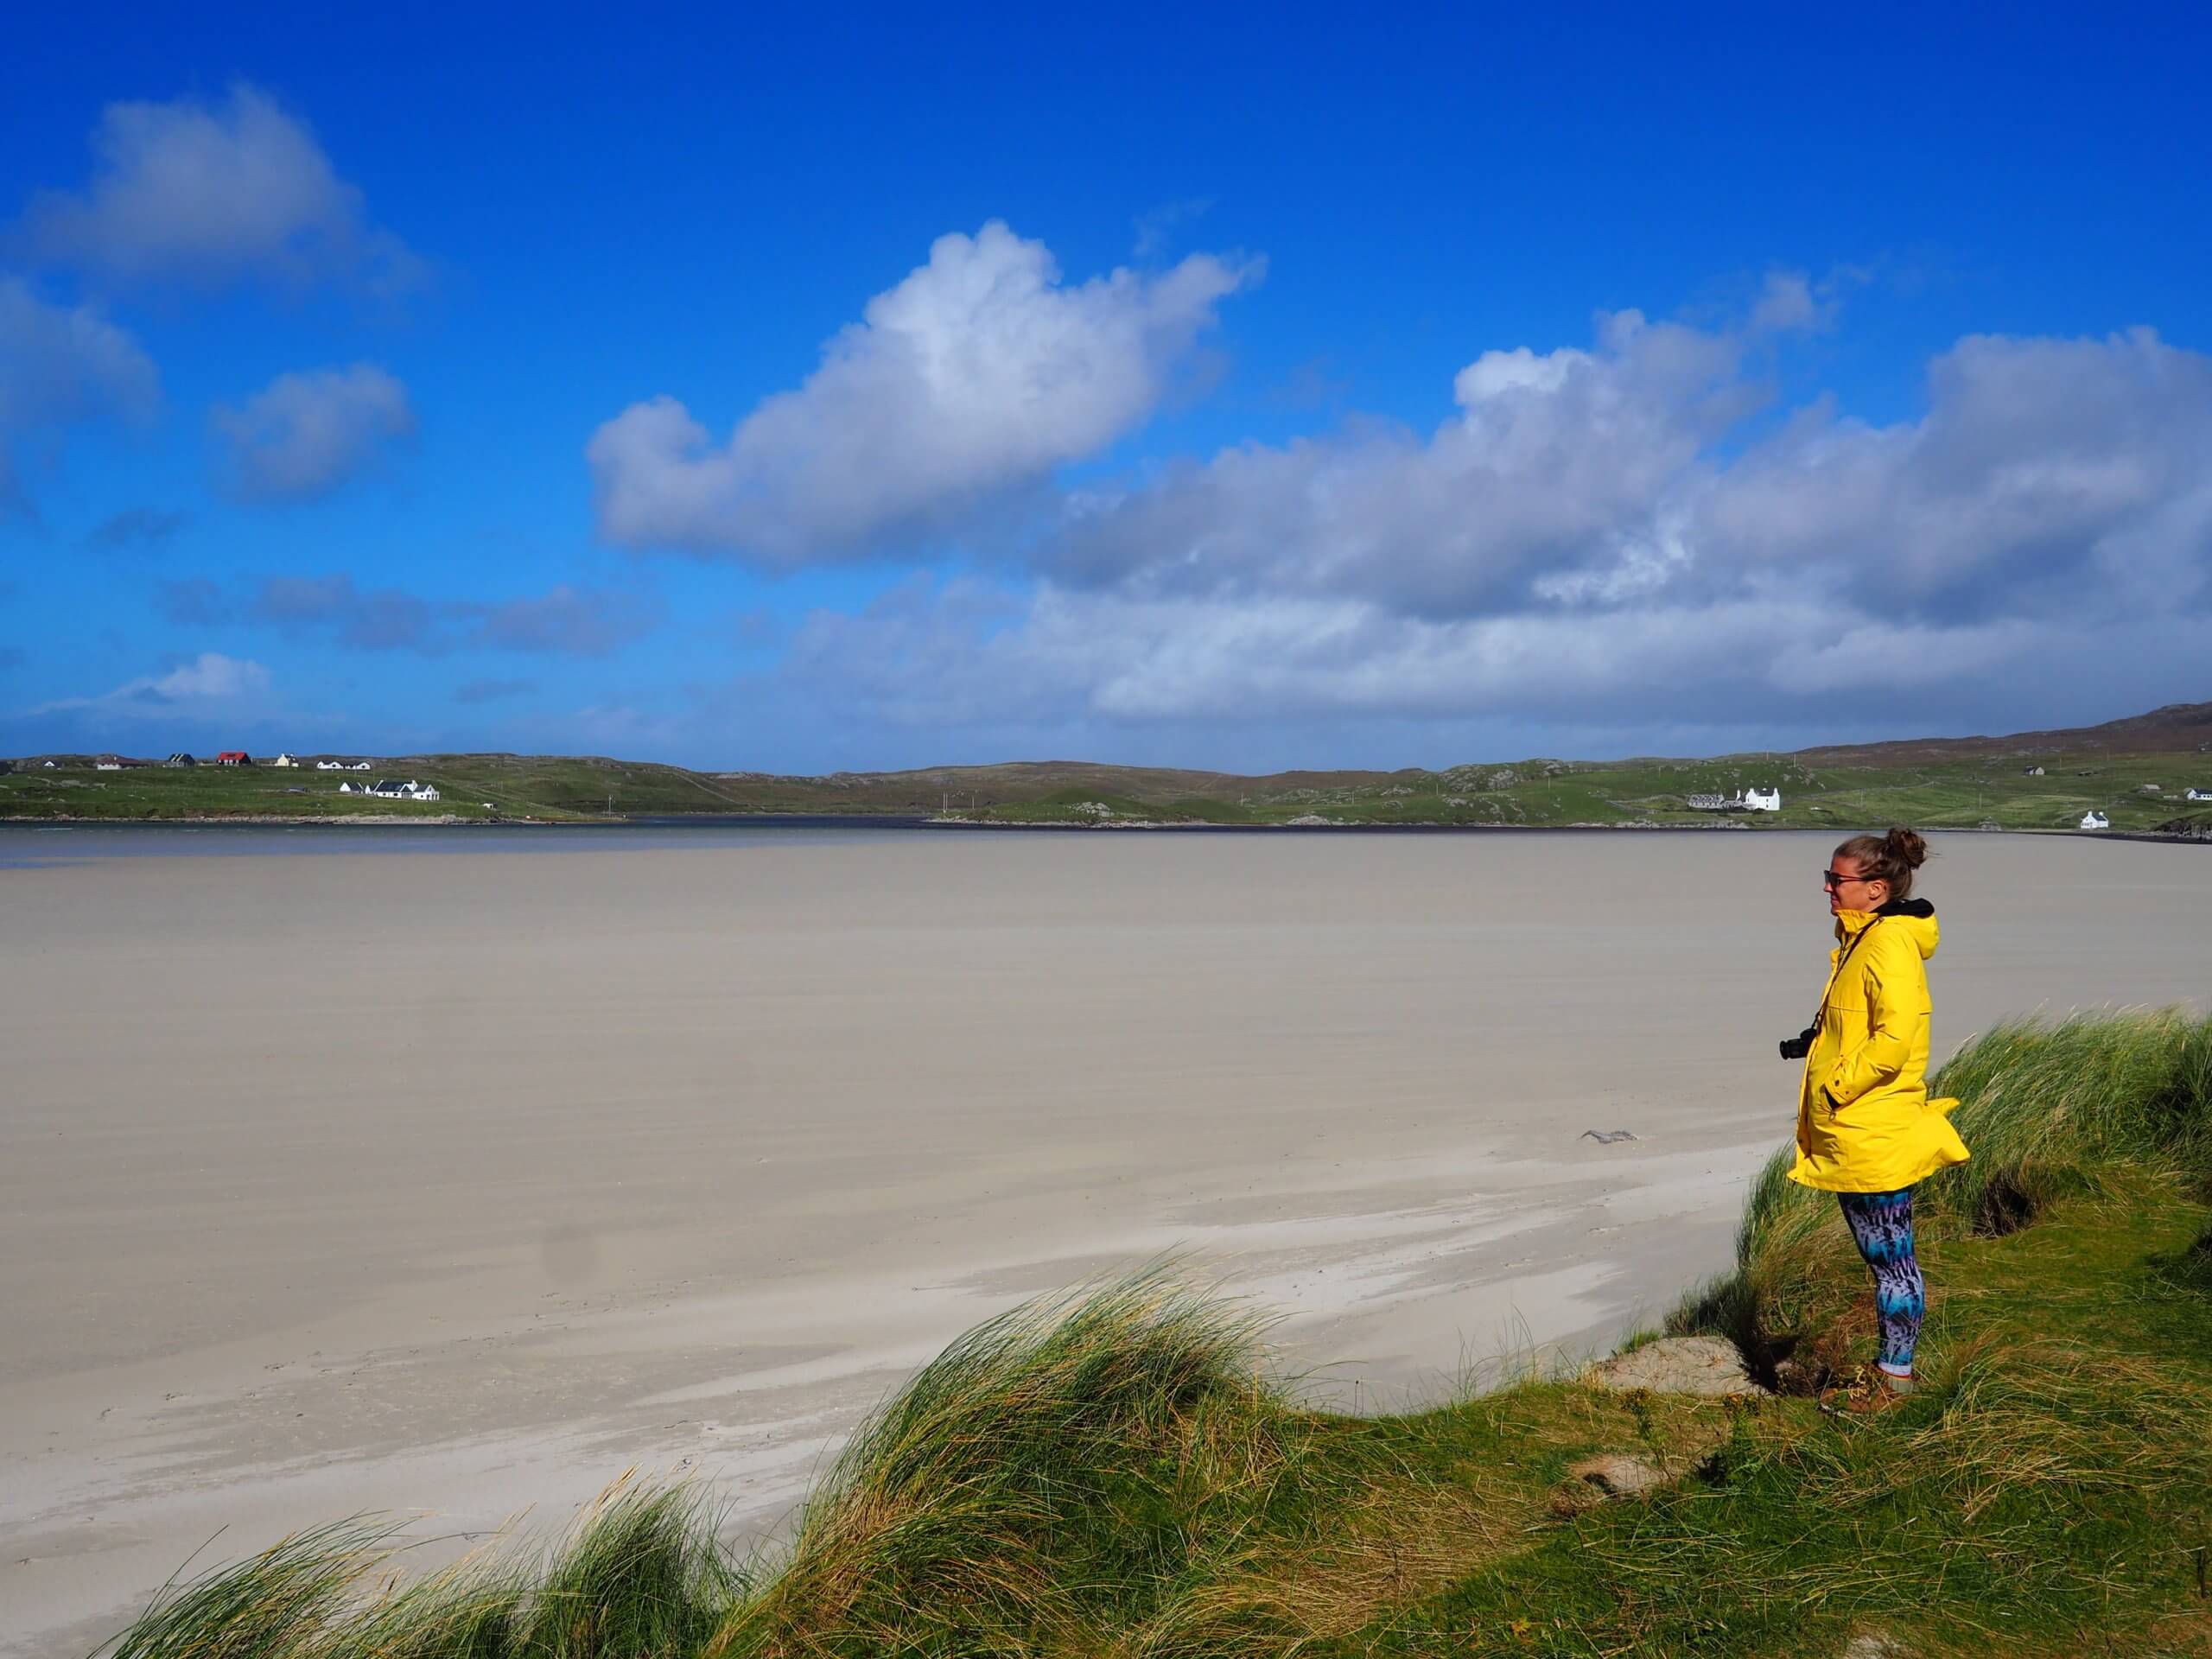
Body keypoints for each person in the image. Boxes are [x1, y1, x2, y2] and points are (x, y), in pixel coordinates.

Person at [1786, 827, 1970, 1408]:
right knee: (1887, 1259)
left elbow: (1895, 1041)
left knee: (1893, 1262)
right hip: (1862, 1125)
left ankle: (1895, 1380)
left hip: (1872, 1128)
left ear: (1876, 888)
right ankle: (1893, 1372)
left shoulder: (1887, 943)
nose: (1827, 889)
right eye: (1829, 877)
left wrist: (1837, 1088)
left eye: (1836, 881)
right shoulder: (1865, 938)